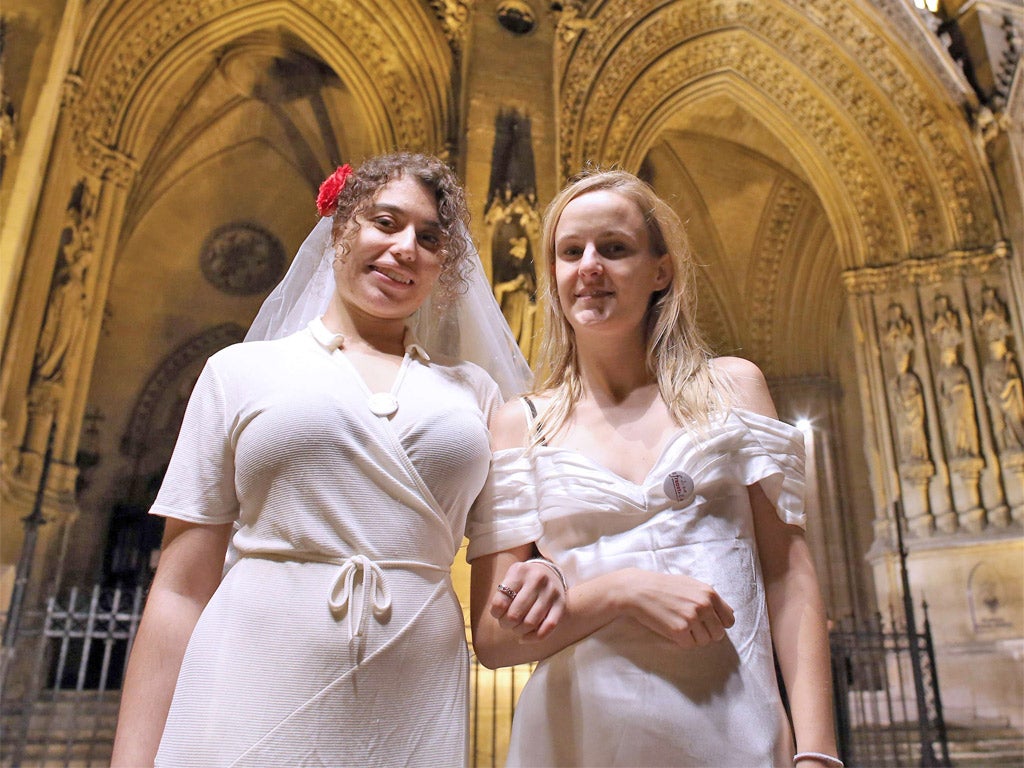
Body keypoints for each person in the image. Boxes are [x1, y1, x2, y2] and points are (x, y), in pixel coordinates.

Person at [111, 152, 557, 767]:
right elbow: (181, 590)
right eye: (385, 222)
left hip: (413, 685)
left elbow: (507, 563)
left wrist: (551, 571)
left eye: (429, 238)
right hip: (251, 671)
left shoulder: (475, 391)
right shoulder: (239, 371)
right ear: (339, 228)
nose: (406, 248)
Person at [467, 169, 840, 767]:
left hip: (733, 730)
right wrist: (622, 590)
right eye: (571, 252)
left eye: (614, 248)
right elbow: (491, 641)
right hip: (577, 739)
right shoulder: (519, 425)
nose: (589, 266)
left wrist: (818, 753)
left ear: (660, 271)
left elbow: (789, 578)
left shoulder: (733, 389)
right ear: (554, 274)